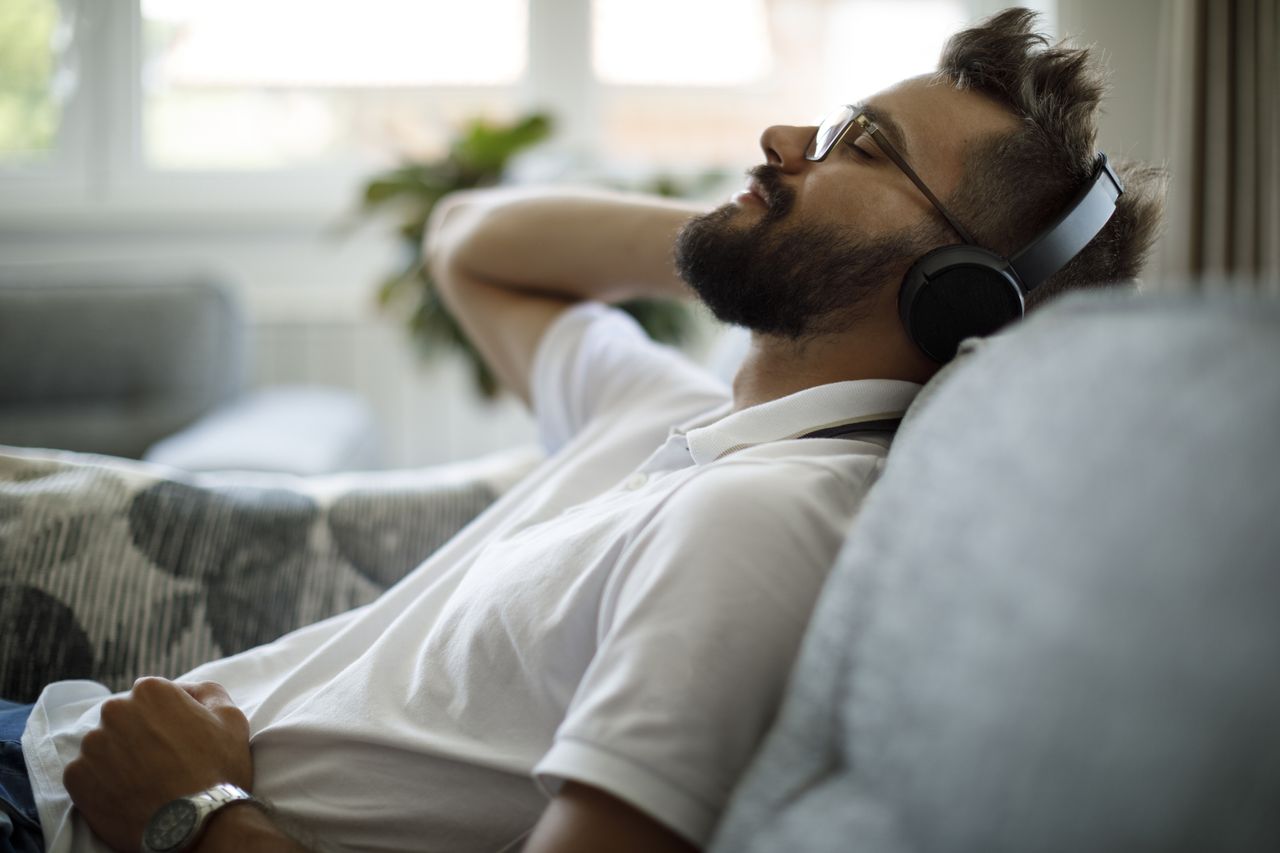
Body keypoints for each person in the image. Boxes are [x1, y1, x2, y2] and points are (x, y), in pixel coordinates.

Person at [5, 8, 1165, 853]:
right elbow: (471, 244)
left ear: (955, 293)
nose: (780, 136)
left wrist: (192, 820)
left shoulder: (758, 524)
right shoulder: (683, 422)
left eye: (860, 144)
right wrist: (765, 226)